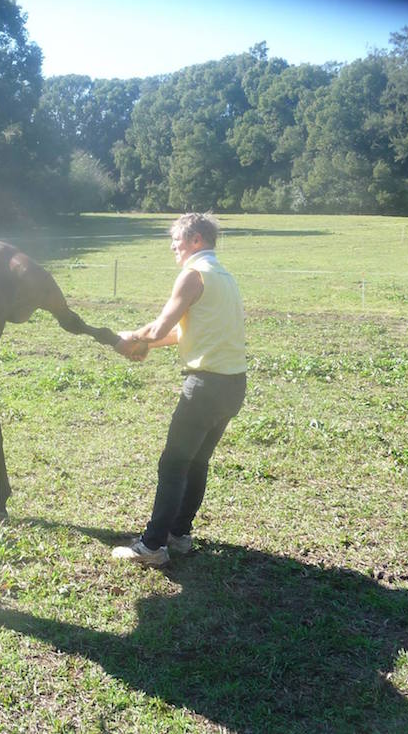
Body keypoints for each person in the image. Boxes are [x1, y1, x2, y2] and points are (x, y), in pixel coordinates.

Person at [111, 213, 246, 565]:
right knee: (196, 461)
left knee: (173, 465)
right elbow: (181, 334)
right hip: (233, 385)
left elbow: (159, 329)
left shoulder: (193, 275)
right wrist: (145, 346)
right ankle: (180, 535)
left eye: (177, 239)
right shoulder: (224, 276)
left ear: (196, 240)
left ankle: (153, 546)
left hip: (205, 387)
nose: (173, 246)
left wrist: (132, 339)